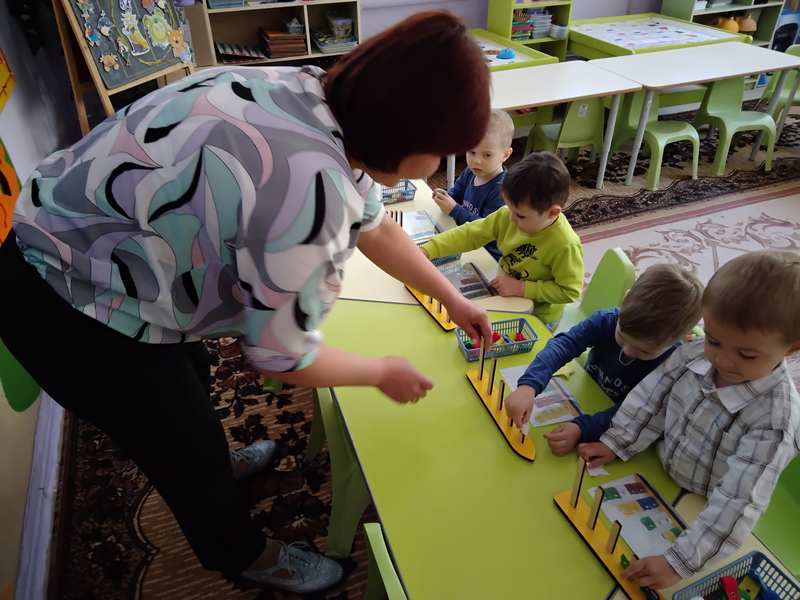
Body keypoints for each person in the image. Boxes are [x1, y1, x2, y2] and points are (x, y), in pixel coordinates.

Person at [0, 12, 494, 594]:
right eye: (440, 152)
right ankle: (242, 555)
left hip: (93, 251)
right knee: (181, 446)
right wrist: (382, 372)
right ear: (404, 138)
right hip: (63, 299)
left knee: (189, 379)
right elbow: (282, 357)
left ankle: (214, 459)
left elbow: (377, 226)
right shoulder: (313, 191)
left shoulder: (317, 92)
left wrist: (449, 294)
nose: (439, 167)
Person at [578, 251, 800, 590]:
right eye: (713, 339)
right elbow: (652, 398)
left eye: (746, 354)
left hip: (705, 506)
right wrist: (617, 441)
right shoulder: (692, 353)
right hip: (655, 467)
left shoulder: (775, 420)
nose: (722, 359)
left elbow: (737, 502)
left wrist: (679, 562)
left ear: (792, 349)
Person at [505, 264, 703, 457]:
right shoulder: (606, 320)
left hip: (620, 427)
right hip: (587, 394)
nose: (627, 350)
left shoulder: (671, 365)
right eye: (622, 336)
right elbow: (562, 345)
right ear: (625, 299)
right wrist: (528, 386)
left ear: (682, 338)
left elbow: (638, 413)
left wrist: (582, 429)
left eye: (644, 350)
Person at [421, 151, 583, 331]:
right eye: (510, 209)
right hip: (503, 291)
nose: (511, 219)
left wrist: (522, 288)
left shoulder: (565, 245)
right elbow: (470, 234)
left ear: (552, 213)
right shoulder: (507, 215)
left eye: (520, 215)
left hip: (537, 317)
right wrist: (428, 250)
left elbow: (569, 291)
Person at [431, 108, 514, 261]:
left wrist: (455, 210)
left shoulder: (502, 190)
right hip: (465, 238)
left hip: (487, 254)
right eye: (472, 152)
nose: (477, 161)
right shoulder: (470, 172)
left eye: (487, 155)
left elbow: (486, 231)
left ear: (505, 155)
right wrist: (445, 196)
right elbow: (456, 194)